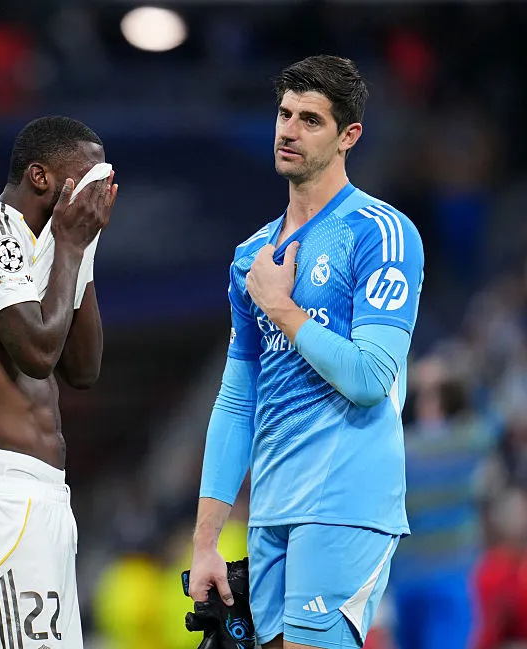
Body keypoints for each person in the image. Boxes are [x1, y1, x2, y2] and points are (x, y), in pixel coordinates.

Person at [187, 56, 425, 649]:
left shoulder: (381, 233)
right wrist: (206, 539)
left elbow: (371, 375)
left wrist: (282, 308)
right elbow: (238, 400)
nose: (289, 130)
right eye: (285, 114)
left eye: (311, 120)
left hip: (346, 501)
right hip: (271, 509)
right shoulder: (253, 256)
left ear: (349, 137)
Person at [0, 116, 117, 649]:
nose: (97, 192)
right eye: (86, 178)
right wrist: (68, 244)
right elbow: (37, 353)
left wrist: (81, 250)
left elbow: (83, 371)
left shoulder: (55, 247)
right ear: (40, 177)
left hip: (47, 497)